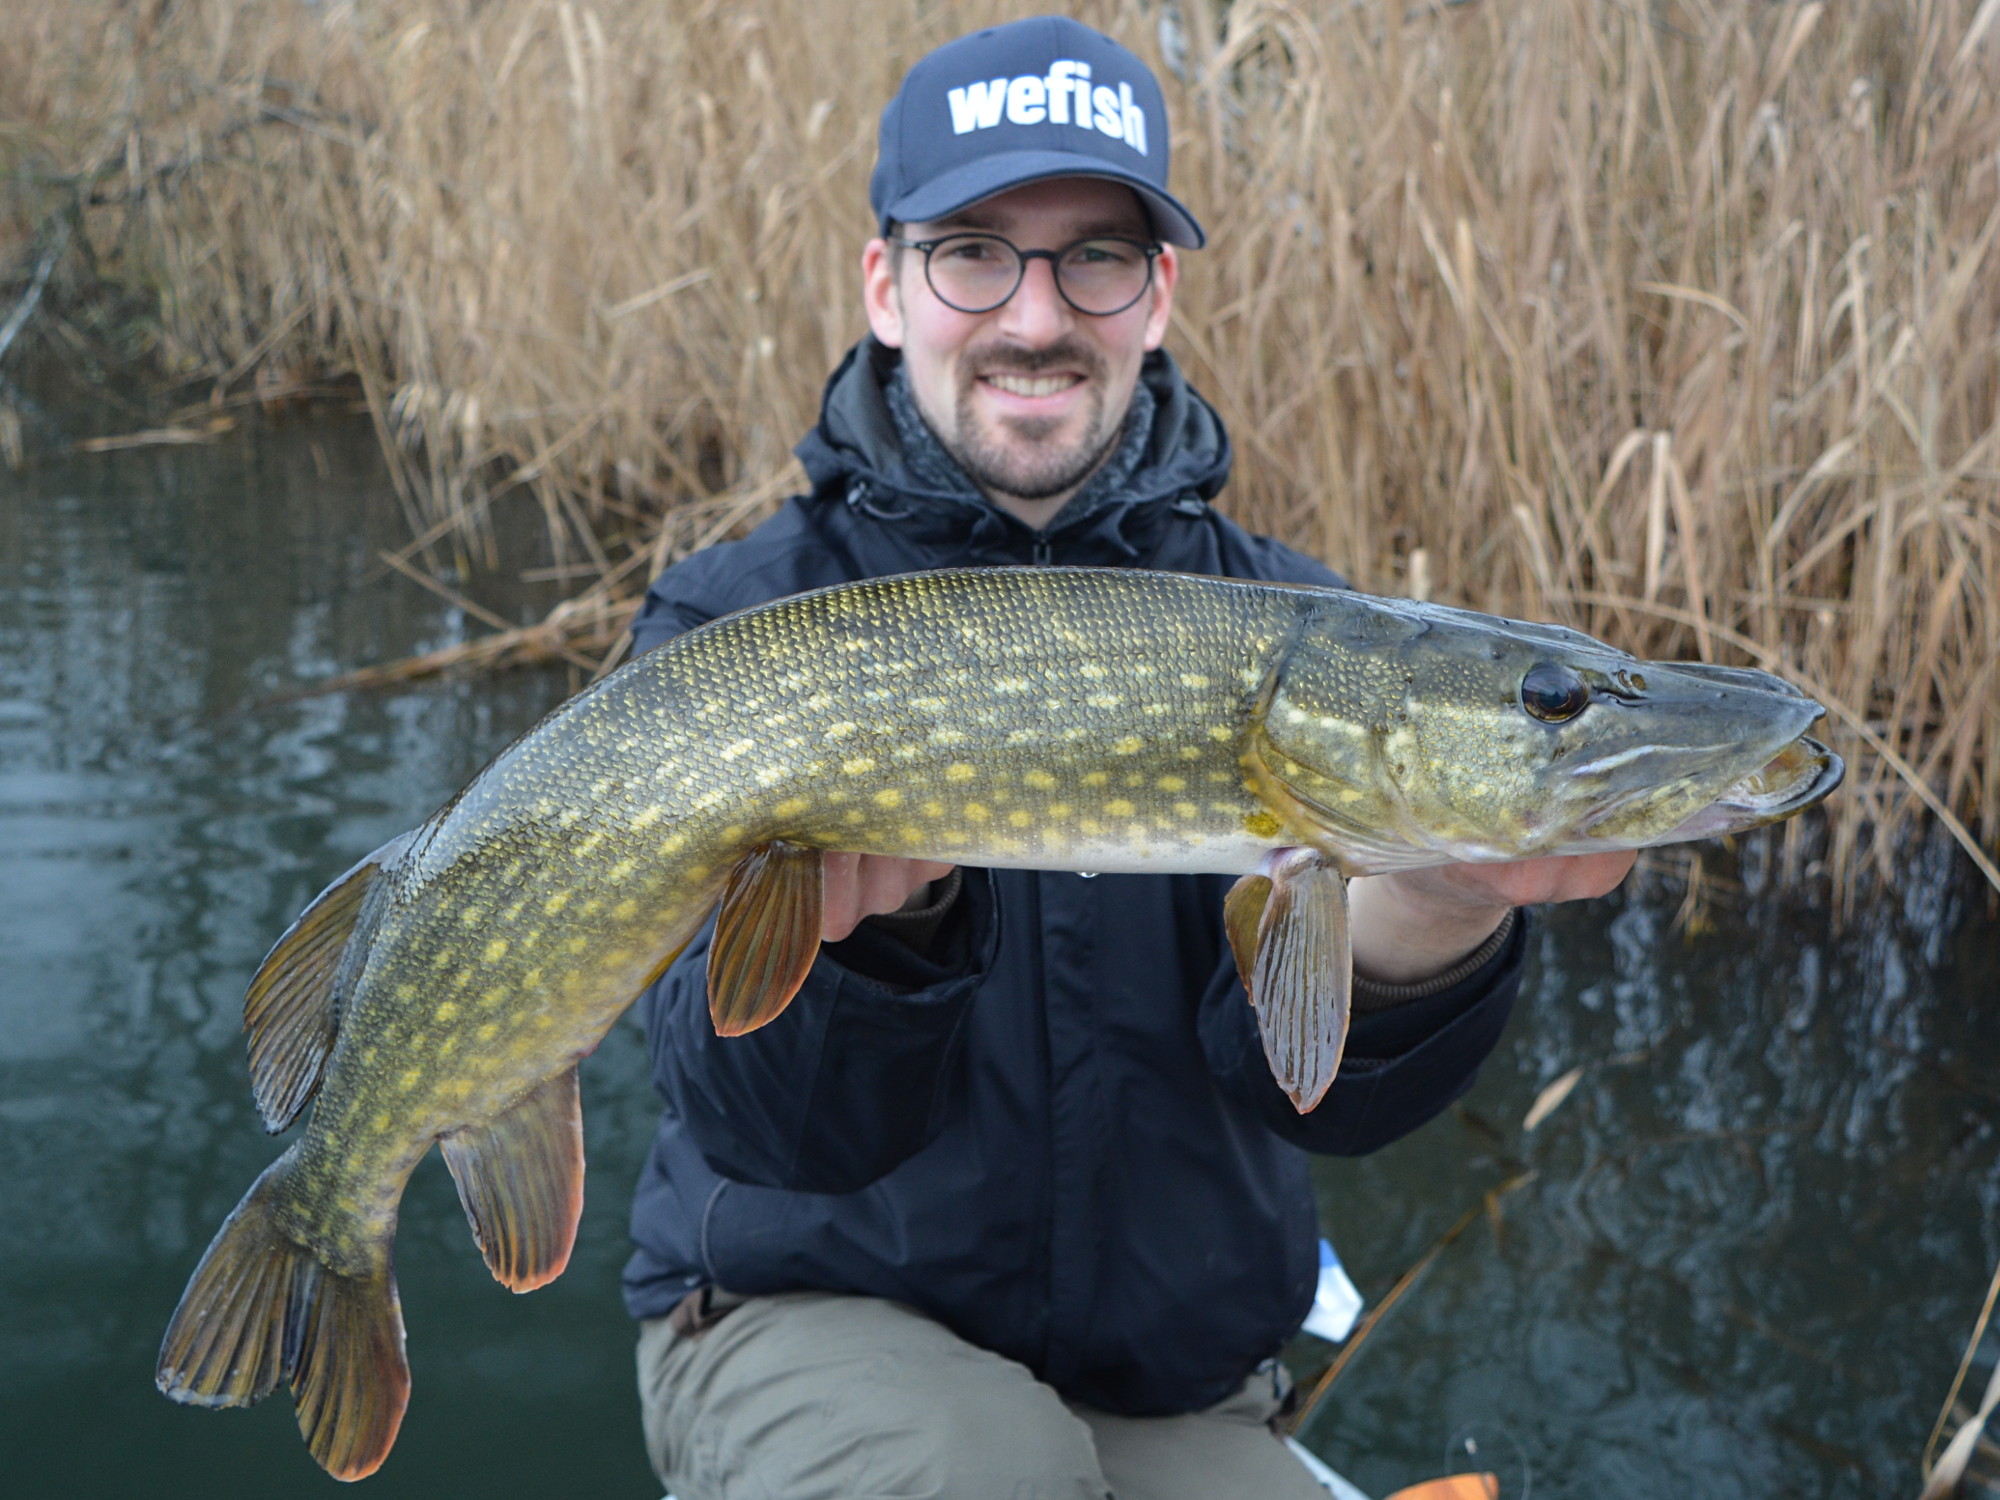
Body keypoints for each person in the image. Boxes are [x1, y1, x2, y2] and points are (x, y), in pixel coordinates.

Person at [621, 17, 1632, 1500]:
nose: (1036, 316)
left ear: (1156, 298)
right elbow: (770, 1135)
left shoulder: (1311, 633)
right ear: (886, 287)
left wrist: (1434, 909)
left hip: (1177, 1377)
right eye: (974, 251)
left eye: (1094, 256)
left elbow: (1315, 1100)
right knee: (986, 1474)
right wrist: (883, 937)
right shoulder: (737, 622)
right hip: (811, 1312)